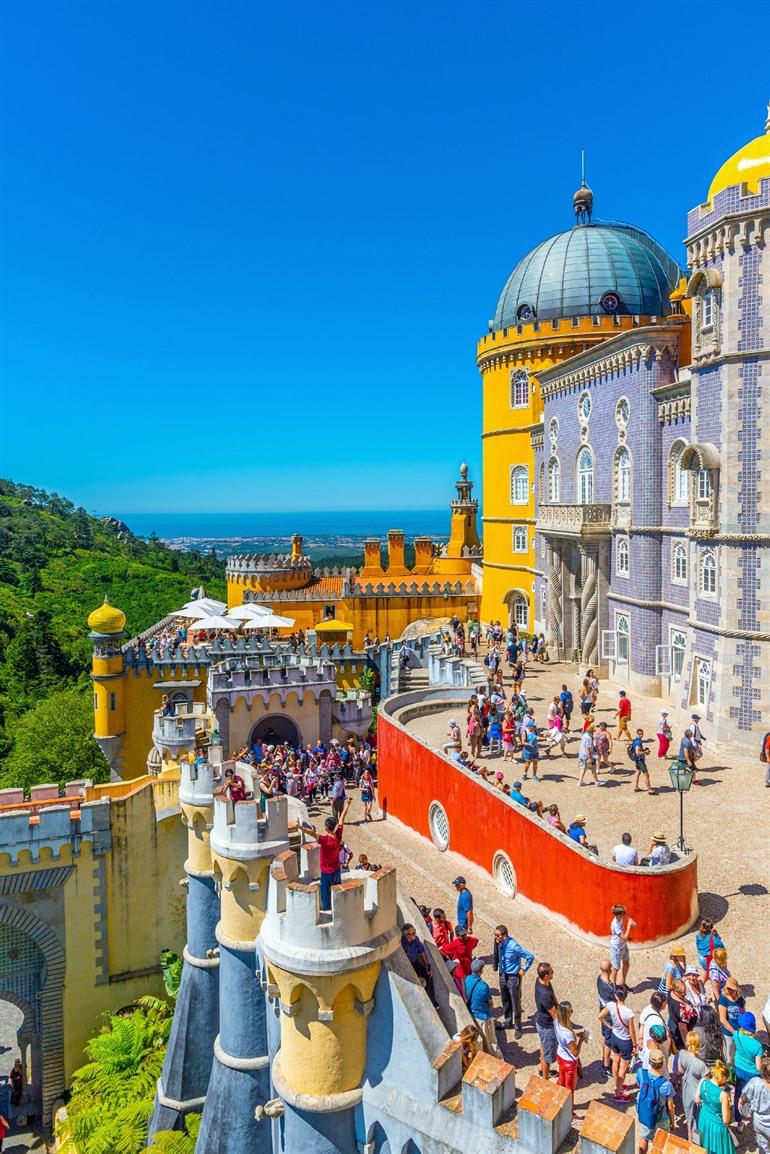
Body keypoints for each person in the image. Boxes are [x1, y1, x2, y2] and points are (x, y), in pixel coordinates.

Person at [493, 924, 534, 1038]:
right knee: (505, 1000)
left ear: (504, 935)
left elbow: (530, 956)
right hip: (503, 975)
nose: (495, 937)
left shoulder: (513, 946)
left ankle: (518, 1027)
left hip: (513, 977)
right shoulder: (500, 943)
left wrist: (524, 969)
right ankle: (507, 1021)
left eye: (497, 935)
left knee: (515, 1003)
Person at [599, 984, 637, 1102]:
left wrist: (609, 1026)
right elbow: (632, 1031)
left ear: (616, 995)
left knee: (615, 1061)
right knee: (623, 1067)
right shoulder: (628, 1013)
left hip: (615, 1036)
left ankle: (617, 1085)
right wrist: (635, 1045)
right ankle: (618, 1093)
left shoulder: (611, 1005)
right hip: (625, 1041)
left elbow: (600, 1016)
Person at [636, 1048, 675, 1153]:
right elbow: (670, 1106)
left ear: (649, 1061)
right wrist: (672, 1122)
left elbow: (639, 1086)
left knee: (644, 1138)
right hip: (661, 1117)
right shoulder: (666, 1085)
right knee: (659, 1144)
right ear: (662, 1064)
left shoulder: (641, 1073)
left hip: (646, 1113)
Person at [554, 1001, 586, 1114]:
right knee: (569, 1089)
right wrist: (582, 1039)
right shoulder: (568, 1033)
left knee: (561, 1081)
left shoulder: (556, 1022)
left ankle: (557, 1100)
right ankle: (569, 1111)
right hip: (569, 1063)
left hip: (560, 1056)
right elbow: (575, 1052)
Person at [465, 959, 501, 1057]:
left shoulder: (467, 979)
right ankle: (499, 1060)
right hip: (484, 1016)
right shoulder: (483, 986)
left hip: (473, 1014)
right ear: (481, 971)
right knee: (492, 1042)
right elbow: (491, 1004)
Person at [696, 1060, 734, 1154]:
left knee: (705, 1144)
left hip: (703, 1118)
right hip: (717, 1126)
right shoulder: (723, 1095)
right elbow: (726, 1120)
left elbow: (697, 1100)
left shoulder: (703, 1081)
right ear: (723, 1078)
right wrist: (728, 1101)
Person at [679, 1031, 710, 1142]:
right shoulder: (700, 1064)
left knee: (689, 1118)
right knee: (697, 1121)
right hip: (697, 1093)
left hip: (686, 1089)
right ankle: (696, 1143)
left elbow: (680, 1070)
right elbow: (706, 1082)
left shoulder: (682, 1053)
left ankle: (690, 1140)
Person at [733, 1012, 764, 1120]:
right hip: (752, 1074)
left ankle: (739, 1121)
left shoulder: (736, 1035)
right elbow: (759, 1067)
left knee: (738, 1094)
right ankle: (749, 1114)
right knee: (751, 1096)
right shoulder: (758, 1046)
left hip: (738, 1067)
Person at [739, 1056, 770, 1154]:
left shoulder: (755, 1082)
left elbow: (743, 1097)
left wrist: (741, 1103)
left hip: (759, 1122)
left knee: (763, 1148)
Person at [401, 923, 436, 1007]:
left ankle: (431, 1000)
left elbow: (422, 954)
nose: (415, 935)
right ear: (407, 935)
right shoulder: (401, 943)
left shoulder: (416, 940)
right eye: (413, 933)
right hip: (406, 966)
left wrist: (428, 967)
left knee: (428, 975)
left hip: (414, 963)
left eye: (415, 932)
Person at [533, 961, 558, 1080]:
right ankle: (545, 1078)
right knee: (548, 1057)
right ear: (546, 975)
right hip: (547, 1027)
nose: (553, 972)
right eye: (551, 971)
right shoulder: (544, 994)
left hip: (541, 1023)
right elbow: (554, 1014)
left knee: (543, 1047)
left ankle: (541, 1068)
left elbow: (554, 998)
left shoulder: (543, 982)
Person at [318, 816, 344, 911]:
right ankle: (339, 909)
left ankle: (328, 912)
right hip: (336, 869)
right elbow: (342, 819)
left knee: (325, 895)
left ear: (326, 828)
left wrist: (302, 829)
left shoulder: (324, 840)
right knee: (337, 890)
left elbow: (313, 835)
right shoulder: (338, 836)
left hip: (326, 872)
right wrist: (347, 806)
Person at [597, 958, 616, 1078]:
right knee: (609, 1040)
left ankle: (605, 1057)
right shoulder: (610, 987)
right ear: (609, 969)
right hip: (609, 1015)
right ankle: (606, 1065)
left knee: (604, 1035)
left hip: (601, 1009)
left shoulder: (599, 979)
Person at [609, 904, 635, 986]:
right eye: (624, 914)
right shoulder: (615, 924)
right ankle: (612, 989)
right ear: (620, 915)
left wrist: (630, 920)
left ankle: (622, 984)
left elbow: (626, 917)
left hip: (623, 946)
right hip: (617, 948)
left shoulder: (619, 918)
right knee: (615, 969)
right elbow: (623, 937)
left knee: (626, 964)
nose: (625, 915)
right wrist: (629, 926)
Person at [630, 728, 655, 793]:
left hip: (637, 760)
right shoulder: (638, 742)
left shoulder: (636, 740)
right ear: (637, 734)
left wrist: (643, 750)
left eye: (642, 733)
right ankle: (649, 790)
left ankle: (636, 787)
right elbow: (637, 752)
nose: (641, 735)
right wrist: (645, 752)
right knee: (646, 774)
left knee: (638, 772)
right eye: (639, 734)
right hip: (640, 760)